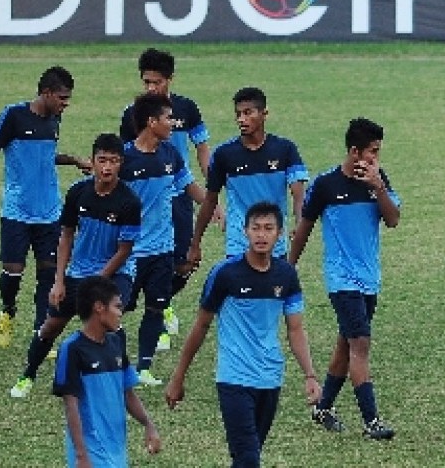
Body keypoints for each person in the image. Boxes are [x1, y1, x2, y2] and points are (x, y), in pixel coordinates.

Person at [165, 202, 321, 468]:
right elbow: (201, 326)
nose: (261, 235)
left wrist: (310, 375)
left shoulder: (287, 275)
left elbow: (295, 329)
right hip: (234, 377)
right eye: (256, 228)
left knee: (248, 454)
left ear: (279, 234)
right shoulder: (225, 274)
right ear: (245, 232)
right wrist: (178, 377)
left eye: (268, 228)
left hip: (270, 377)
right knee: (249, 458)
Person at [288, 117, 400, 440]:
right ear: (354, 151)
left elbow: (393, 220)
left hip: (369, 279)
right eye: (372, 152)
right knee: (360, 343)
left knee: (345, 345)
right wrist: (287, 268)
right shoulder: (325, 186)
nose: (376, 159)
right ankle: (372, 421)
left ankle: (322, 408)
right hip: (341, 280)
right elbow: (303, 230)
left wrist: (379, 187)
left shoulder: (378, 181)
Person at [0, 65, 90, 348]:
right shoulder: (13, 115)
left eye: (68, 99)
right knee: (13, 271)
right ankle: (8, 311)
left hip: (49, 211)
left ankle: (40, 332)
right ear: (46, 93)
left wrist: (73, 160)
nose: (65, 104)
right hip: (17, 210)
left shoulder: (54, 119)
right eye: (62, 98)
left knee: (48, 274)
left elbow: (44, 156)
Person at [10, 133, 141, 399]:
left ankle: (121, 382)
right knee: (50, 327)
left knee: (111, 322)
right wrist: (59, 280)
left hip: (115, 273)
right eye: (102, 160)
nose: (107, 167)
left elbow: (124, 250)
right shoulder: (78, 193)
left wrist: (97, 284)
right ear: (92, 162)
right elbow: (67, 235)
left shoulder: (129, 202)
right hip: (77, 273)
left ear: (121, 164)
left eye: (113, 161)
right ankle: (28, 375)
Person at [119, 48, 213, 351]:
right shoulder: (132, 114)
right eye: (146, 81)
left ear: (170, 80)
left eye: (156, 82)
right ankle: (155, 316)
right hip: (146, 200)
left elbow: (201, 146)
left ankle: (162, 301)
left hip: (180, 195)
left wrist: (211, 186)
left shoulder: (187, 109)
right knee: (144, 258)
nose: (150, 88)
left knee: (186, 261)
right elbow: (123, 159)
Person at [187, 87, 307, 268]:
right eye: (238, 114)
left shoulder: (285, 149)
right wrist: (195, 243)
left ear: (264, 114)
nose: (241, 119)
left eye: (247, 113)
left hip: (274, 245)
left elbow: (298, 194)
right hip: (238, 246)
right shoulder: (223, 154)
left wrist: (299, 221)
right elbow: (210, 200)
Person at [53, 275, 161, 467]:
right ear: (99, 307)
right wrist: (81, 456)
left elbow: (128, 393)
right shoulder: (72, 348)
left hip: (117, 450)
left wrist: (148, 424)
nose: (121, 312)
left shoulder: (116, 342)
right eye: (117, 307)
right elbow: (71, 405)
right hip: (91, 451)